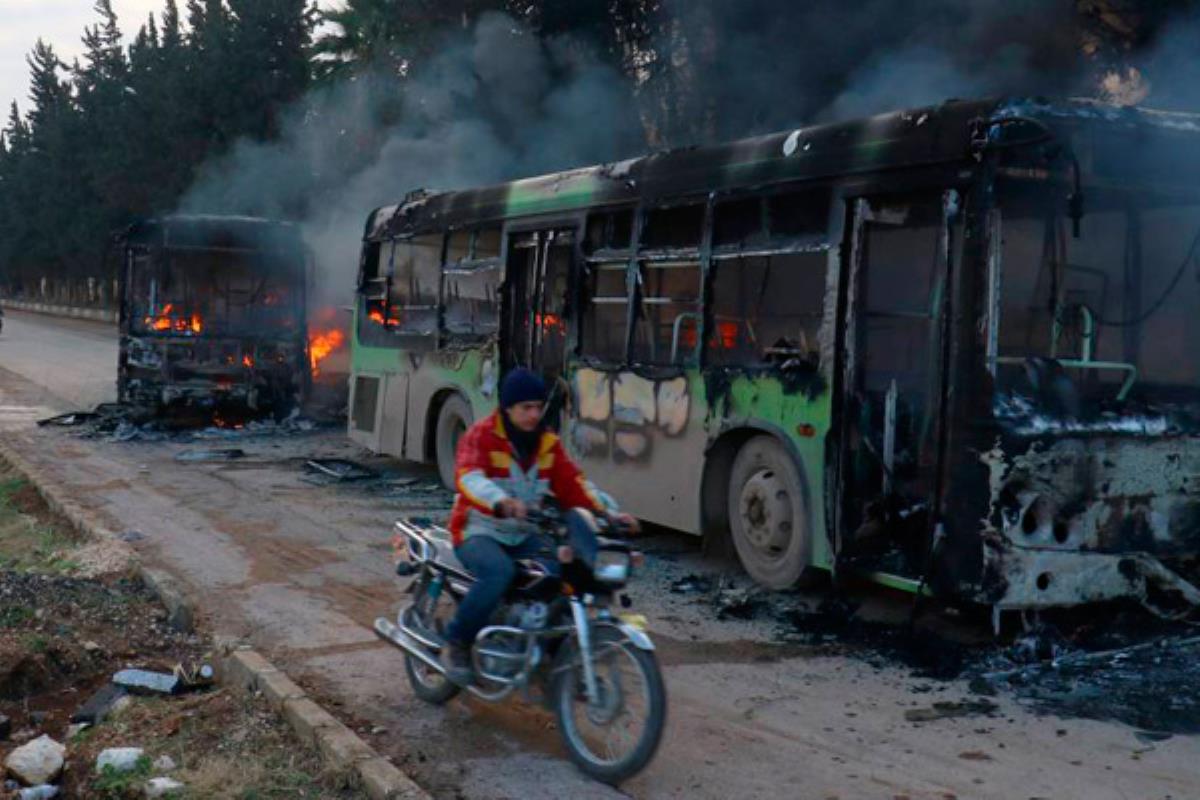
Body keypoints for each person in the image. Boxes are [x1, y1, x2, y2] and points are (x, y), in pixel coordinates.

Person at [443, 367, 638, 685]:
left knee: (561, 574)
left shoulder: (547, 444)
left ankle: (549, 651)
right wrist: (500, 501)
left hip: (522, 533)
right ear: (508, 408)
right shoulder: (482, 435)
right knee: (499, 573)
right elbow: (468, 477)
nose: (534, 414)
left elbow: (575, 486)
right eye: (526, 408)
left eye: (538, 407)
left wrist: (611, 514)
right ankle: (458, 643)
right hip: (477, 529)